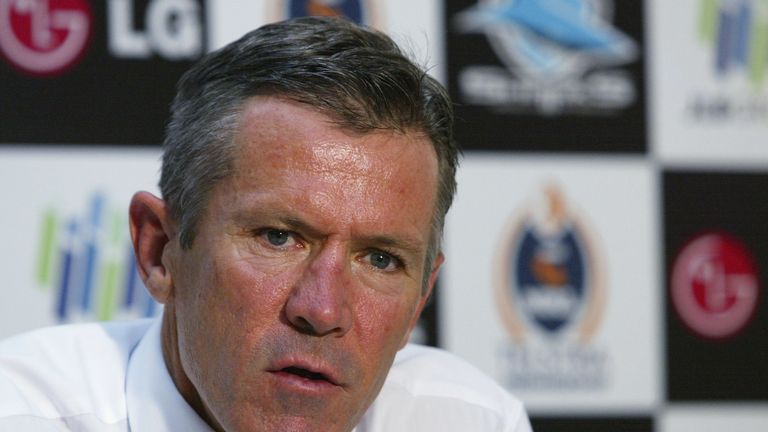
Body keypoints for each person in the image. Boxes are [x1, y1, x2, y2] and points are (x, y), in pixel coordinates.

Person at [0, 16, 532, 432]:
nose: (322, 310)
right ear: (159, 251)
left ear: (421, 296)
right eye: (279, 237)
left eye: (381, 259)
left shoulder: (471, 420)